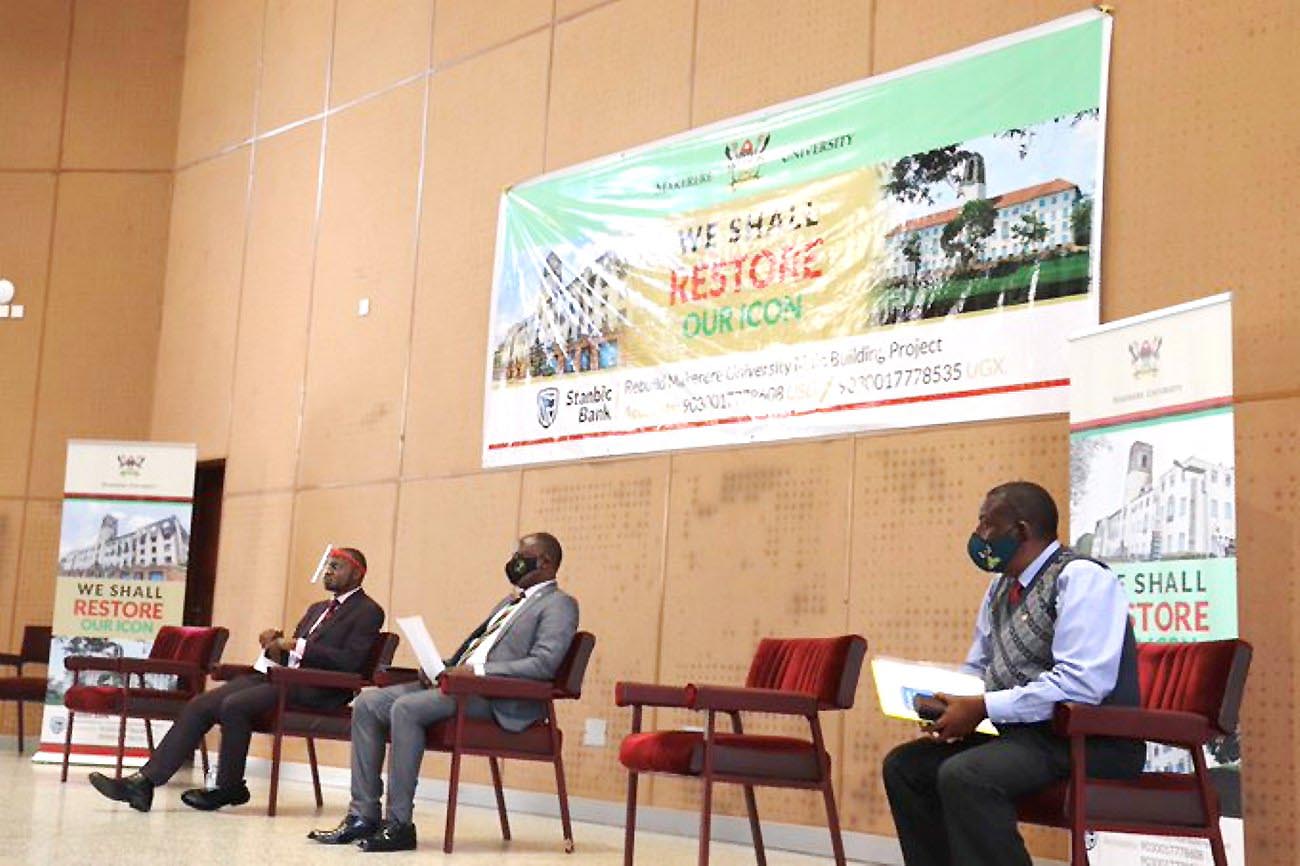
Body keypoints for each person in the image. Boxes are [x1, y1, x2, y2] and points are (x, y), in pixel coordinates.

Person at [882, 481, 1145, 866]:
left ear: (1020, 531)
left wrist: (984, 707)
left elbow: (1081, 685)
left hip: (1089, 740)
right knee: (906, 767)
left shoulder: (1082, 578)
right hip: (1024, 735)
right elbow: (980, 667)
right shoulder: (1000, 588)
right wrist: (947, 701)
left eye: (987, 524)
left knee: (967, 775)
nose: (978, 535)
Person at [309, 532, 579, 852]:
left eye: (521, 556)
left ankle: (399, 824)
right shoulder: (509, 602)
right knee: (368, 702)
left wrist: (476, 673)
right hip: (462, 686)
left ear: (546, 561)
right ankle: (362, 816)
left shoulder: (560, 604)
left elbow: (543, 664)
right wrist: (442, 665)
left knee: (406, 709)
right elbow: (478, 651)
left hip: (499, 699)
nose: (513, 562)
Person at [88, 547, 384, 813]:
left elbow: (350, 662)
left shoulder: (368, 611)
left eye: (336, 567)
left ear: (357, 573)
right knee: (201, 704)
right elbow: (291, 656)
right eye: (328, 566)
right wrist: (273, 646)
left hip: (320, 689)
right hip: (283, 678)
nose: (328, 571)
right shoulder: (317, 609)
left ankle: (228, 787)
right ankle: (144, 783)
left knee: (235, 704)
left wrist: (296, 645)